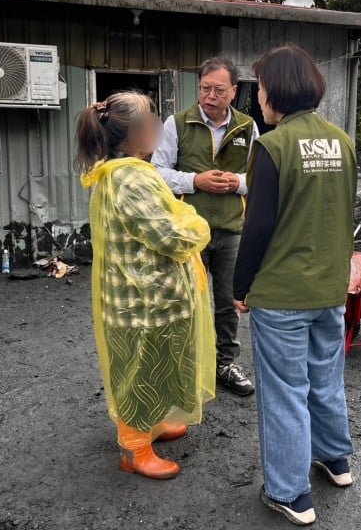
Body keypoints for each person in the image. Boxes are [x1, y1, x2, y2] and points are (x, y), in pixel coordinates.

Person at [232, 44, 358, 525]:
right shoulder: (341, 142)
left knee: (284, 391)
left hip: (282, 294)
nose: (258, 97)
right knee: (325, 379)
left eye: (260, 88)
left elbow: (258, 225)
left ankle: (290, 492)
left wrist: (241, 285)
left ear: (277, 91)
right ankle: (336, 460)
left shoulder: (273, 145)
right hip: (330, 288)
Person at [76, 91, 215, 480]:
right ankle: (134, 448)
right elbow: (171, 237)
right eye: (152, 120)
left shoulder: (123, 171)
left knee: (156, 365)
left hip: (148, 297)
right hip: (142, 302)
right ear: (135, 133)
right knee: (139, 370)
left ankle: (152, 423)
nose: (158, 126)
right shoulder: (131, 179)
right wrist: (197, 223)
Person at [152, 57, 259, 396]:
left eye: (219, 90)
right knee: (185, 302)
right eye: (205, 88)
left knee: (228, 302)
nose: (210, 96)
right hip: (189, 231)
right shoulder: (177, 124)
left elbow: (258, 177)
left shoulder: (247, 127)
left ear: (234, 91)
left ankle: (225, 364)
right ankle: (187, 368)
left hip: (231, 229)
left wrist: (237, 183)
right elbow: (157, 172)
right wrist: (195, 180)